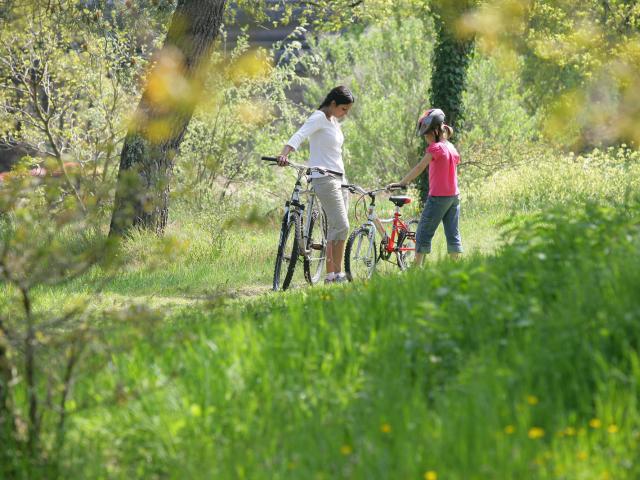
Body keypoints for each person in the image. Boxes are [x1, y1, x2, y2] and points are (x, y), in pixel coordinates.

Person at [277, 86, 354, 283]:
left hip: (340, 178)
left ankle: (335, 275)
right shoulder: (319, 117)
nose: (345, 114)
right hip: (324, 177)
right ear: (333, 103)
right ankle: (334, 274)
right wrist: (284, 153)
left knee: (337, 228)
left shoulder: (334, 121)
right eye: (343, 109)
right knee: (342, 225)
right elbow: (300, 134)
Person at [387, 108, 463, 266]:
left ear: (435, 131)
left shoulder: (435, 148)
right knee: (452, 232)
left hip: (438, 198)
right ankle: (456, 265)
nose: (425, 138)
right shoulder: (451, 147)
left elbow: (419, 168)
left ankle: (417, 266)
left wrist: (402, 182)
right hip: (454, 197)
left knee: (423, 231)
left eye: (427, 134)